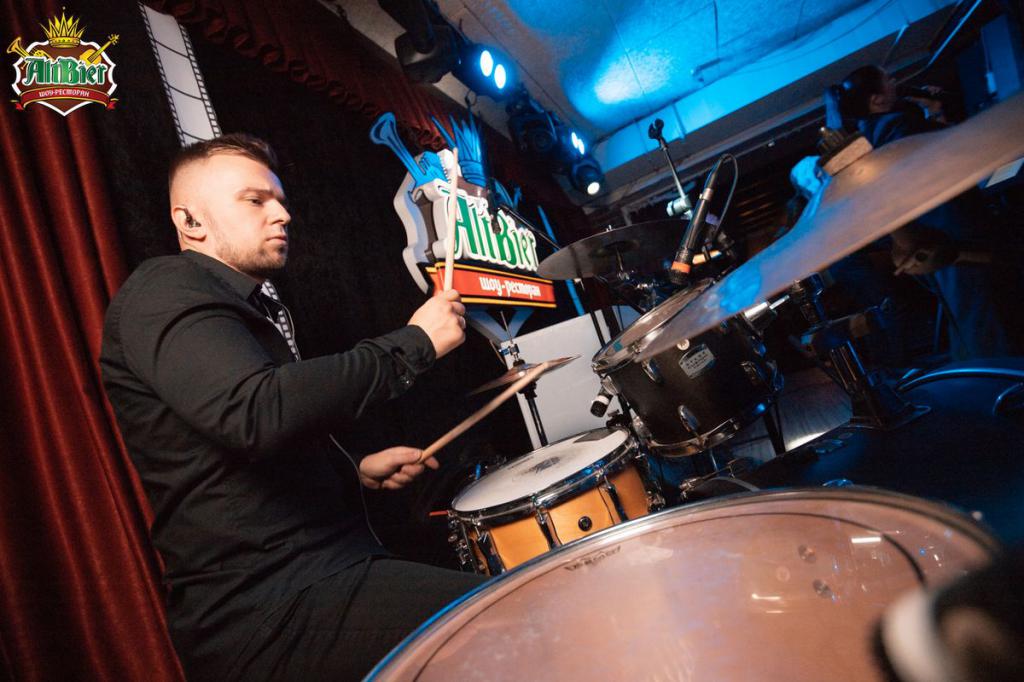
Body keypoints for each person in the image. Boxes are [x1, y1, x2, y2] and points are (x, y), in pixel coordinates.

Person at [99, 134, 486, 681]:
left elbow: (226, 452)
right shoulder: (164, 289)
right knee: (502, 616)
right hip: (268, 611)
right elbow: (255, 412)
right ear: (190, 221)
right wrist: (414, 344)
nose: (281, 214)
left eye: (280, 200)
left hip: (315, 581)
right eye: (254, 200)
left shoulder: (235, 306)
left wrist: (354, 470)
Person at [822, 64, 1016, 360]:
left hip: (932, 240)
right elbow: (960, 153)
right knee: (989, 322)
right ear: (876, 100)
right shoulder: (901, 125)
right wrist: (936, 113)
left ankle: (981, 378)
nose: (895, 81)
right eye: (888, 80)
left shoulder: (874, 137)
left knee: (967, 318)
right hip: (956, 234)